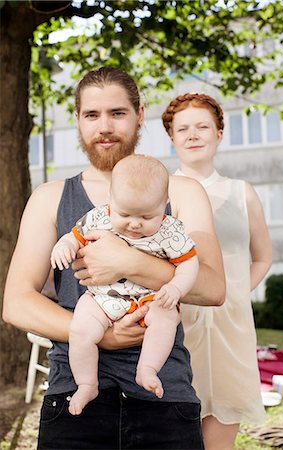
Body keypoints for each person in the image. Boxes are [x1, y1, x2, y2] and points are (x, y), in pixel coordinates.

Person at [3, 67, 225, 450]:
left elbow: (212, 288)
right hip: (73, 394)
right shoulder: (50, 197)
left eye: (118, 113)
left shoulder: (183, 191)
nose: (104, 126)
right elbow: (16, 303)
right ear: (77, 120)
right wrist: (102, 336)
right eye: (92, 115)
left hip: (164, 395)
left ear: (140, 114)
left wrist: (129, 262)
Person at [162, 93, 272, 450]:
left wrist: (235, 293)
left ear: (219, 133)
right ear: (172, 137)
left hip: (232, 330)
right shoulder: (159, 192)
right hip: (176, 327)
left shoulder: (243, 193)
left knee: (220, 440)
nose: (192, 135)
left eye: (202, 127)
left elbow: (262, 258)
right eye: (183, 129)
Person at [51, 154, 199, 415]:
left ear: (164, 204)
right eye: (125, 213)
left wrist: (176, 288)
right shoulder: (99, 217)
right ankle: (86, 383)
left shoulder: (170, 230)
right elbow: (74, 237)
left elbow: (189, 264)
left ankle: (147, 369)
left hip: (149, 299)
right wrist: (64, 246)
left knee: (166, 317)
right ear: (111, 199)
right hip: (102, 298)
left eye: (146, 216)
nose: (134, 223)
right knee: (81, 329)